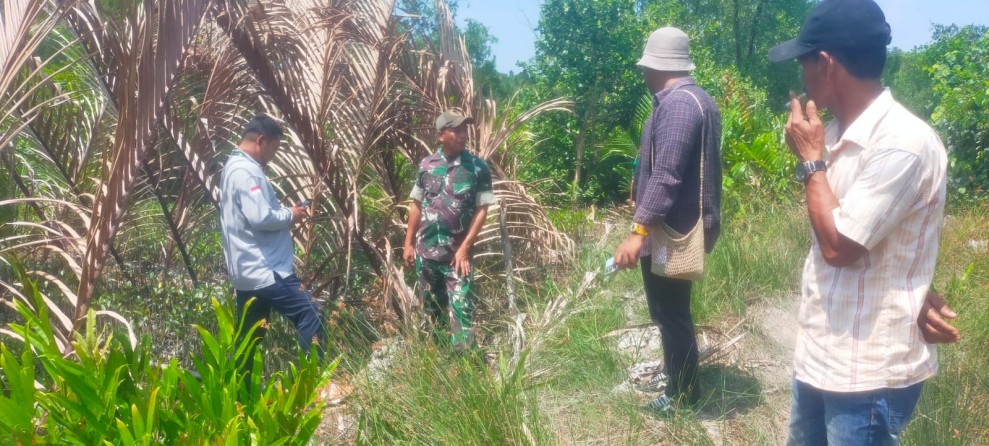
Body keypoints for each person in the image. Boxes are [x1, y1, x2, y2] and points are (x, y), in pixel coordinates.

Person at [768, 1, 952, 443]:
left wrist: (812, 164)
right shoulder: (832, 135)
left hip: (867, 374)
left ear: (826, 64)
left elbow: (839, 247)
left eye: (803, 62)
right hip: (820, 353)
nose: (801, 76)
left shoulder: (902, 144)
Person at [613, 27, 723, 414]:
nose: (643, 75)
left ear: (656, 67)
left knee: (670, 315)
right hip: (679, 224)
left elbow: (667, 174)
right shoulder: (696, 101)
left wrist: (638, 230)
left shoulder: (678, 105)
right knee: (672, 313)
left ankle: (682, 398)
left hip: (672, 230)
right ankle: (680, 384)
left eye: (645, 67)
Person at [219, 115, 324, 374]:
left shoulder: (233, 167)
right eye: (274, 148)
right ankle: (307, 386)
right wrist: (291, 215)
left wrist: (286, 211)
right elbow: (260, 217)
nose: (273, 156)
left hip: (247, 273)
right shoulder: (246, 172)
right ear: (261, 140)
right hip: (266, 271)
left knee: (249, 340)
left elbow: (255, 213)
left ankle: (239, 399)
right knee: (311, 313)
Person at [403, 110, 495, 351]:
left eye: (465, 130)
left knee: (462, 312)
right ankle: (437, 366)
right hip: (426, 254)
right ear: (441, 135)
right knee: (431, 312)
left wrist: (464, 249)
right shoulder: (426, 165)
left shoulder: (478, 168)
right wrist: (408, 243)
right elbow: (416, 205)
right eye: (457, 130)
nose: (464, 135)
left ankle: (464, 368)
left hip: (457, 258)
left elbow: (482, 210)